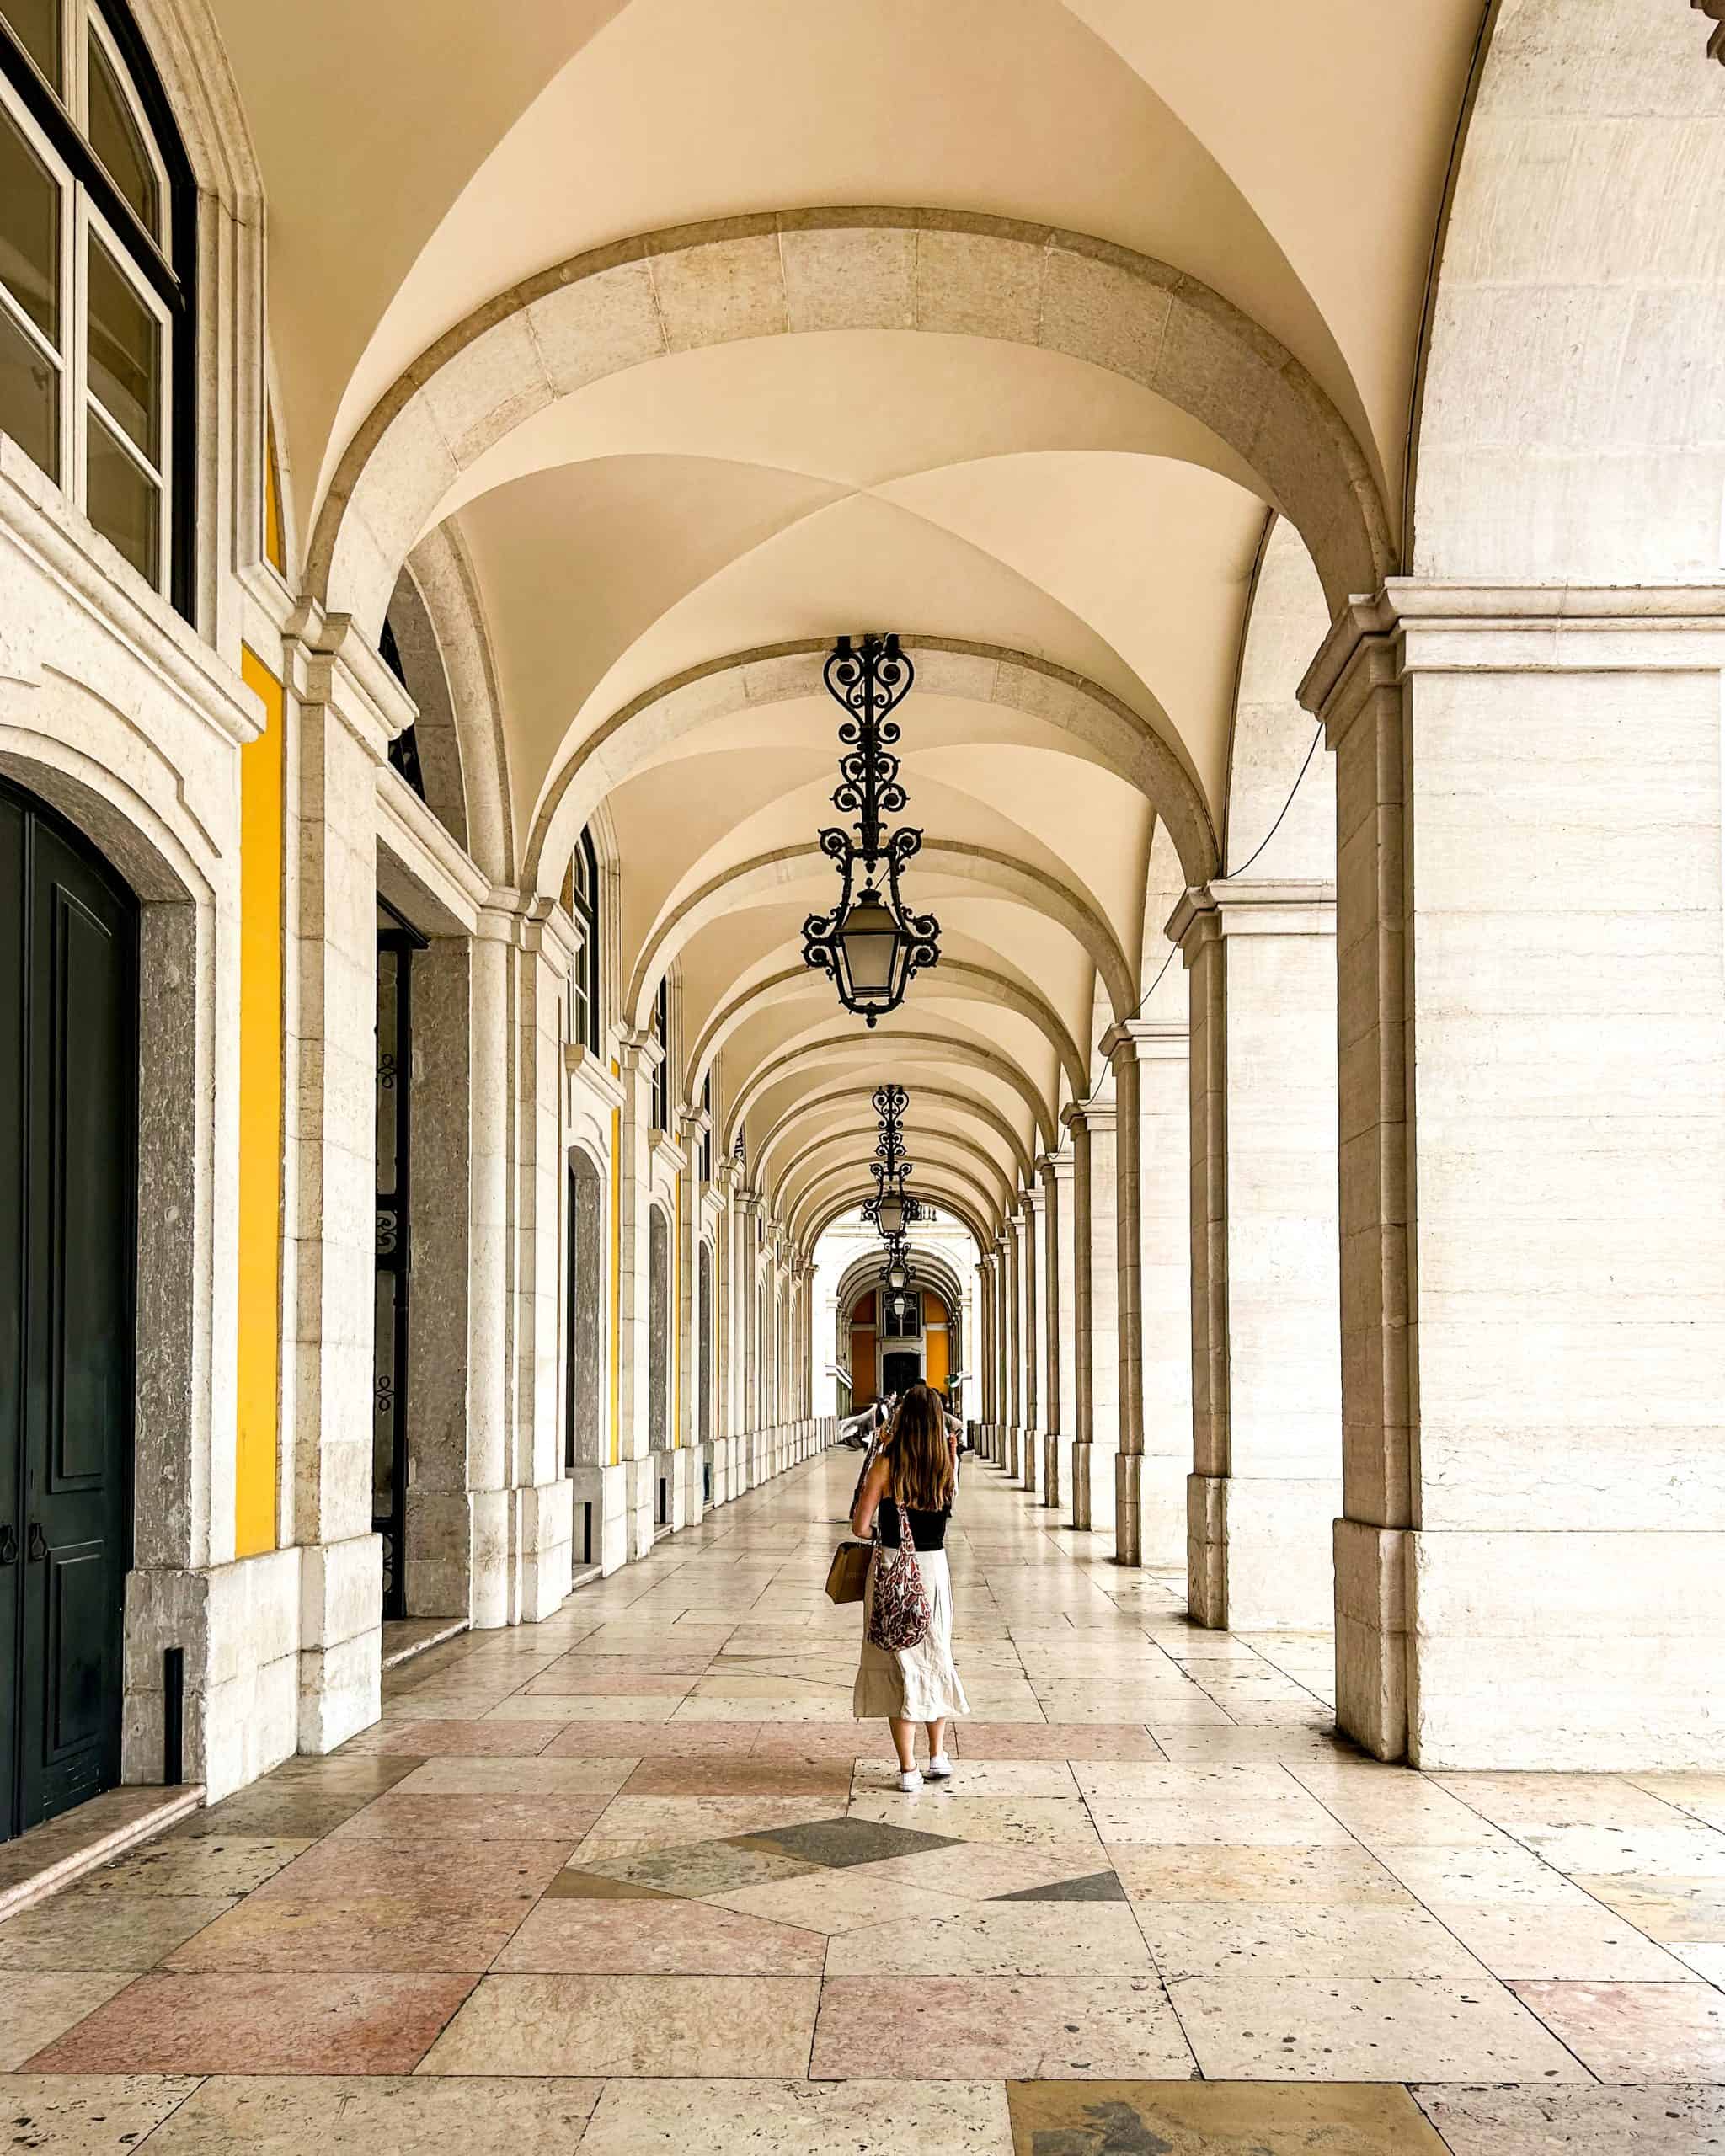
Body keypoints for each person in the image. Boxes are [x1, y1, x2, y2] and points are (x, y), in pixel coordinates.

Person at [850, 1381, 969, 1790]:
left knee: (896, 1664)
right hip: (933, 1572)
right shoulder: (946, 1464)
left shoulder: (886, 1464)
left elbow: (860, 1526)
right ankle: (937, 1757)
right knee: (935, 1657)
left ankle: (907, 1769)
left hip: (891, 1569)